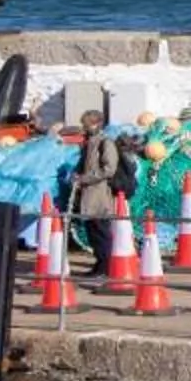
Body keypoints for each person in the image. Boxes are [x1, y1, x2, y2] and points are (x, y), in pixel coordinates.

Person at [70, 112, 122, 271]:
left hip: (99, 194)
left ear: (97, 123)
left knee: (101, 232)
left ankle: (106, 267)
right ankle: (100, 264)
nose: (84, 127)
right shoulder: (89, 142)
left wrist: (85, 178)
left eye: (87, 124)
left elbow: (109, 169)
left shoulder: (105, 143)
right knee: (92, 231)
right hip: (88, 193)